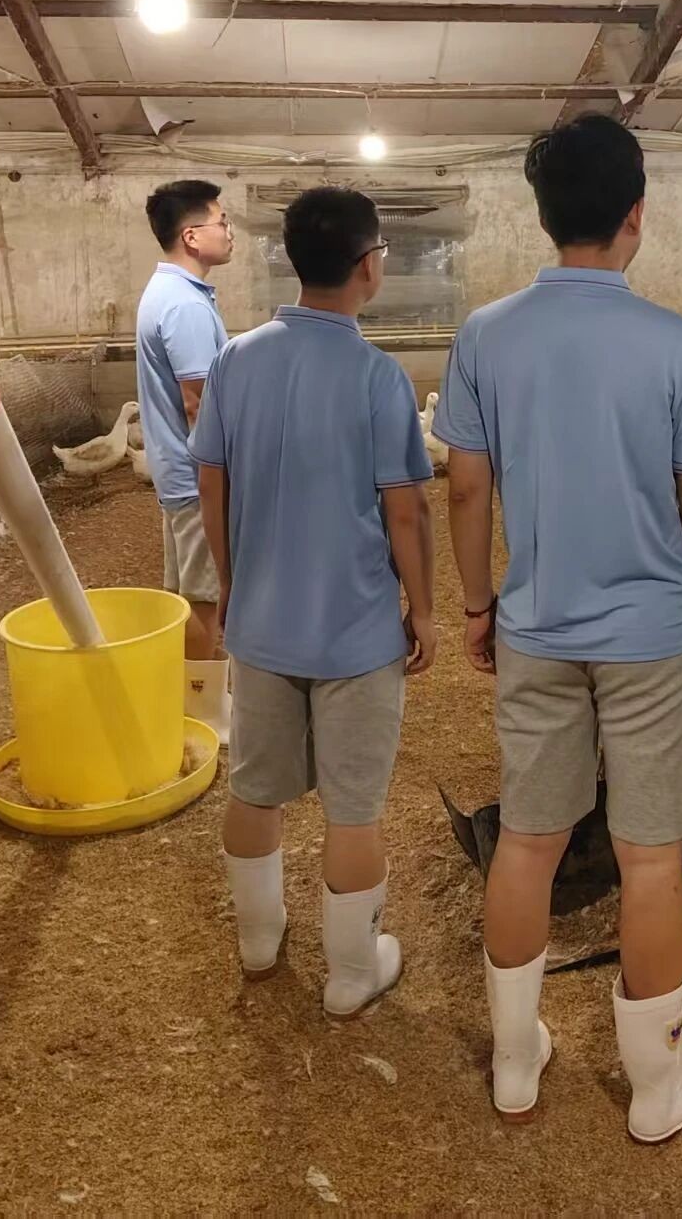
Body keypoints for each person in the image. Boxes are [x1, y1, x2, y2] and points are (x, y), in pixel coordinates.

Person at [433, 115, 682, 1141]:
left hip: (536, 623)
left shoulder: (485, 334)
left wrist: (477, 603)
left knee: (528, 839)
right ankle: (658, 1086)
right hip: (649, 632)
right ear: (635, 215)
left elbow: (466, 485)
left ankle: (514, 1061)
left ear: (541, 215)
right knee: (649, 854)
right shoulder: (675, 344)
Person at [190, 186, 436, 1012]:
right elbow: (406, 509)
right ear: (369, 266)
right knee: (353, 812)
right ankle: (352, 974)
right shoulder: (377, 376)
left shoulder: (235, 360)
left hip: (262, 626)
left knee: (254, 789)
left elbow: (212, 485)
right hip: (355, 633)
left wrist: (232, 585)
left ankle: (258, 943)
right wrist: (423, 609)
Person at [136, 180, 234, 737]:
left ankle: (198, 703)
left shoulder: (169, 293)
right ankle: (205, 718)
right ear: (192, 236)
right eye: (222, 222)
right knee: (205, 599)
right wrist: (224, 480)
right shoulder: (185, 306)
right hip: (199, 481)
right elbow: (199, 404)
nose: (229, 232)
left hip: (179, 474)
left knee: (193, 596)